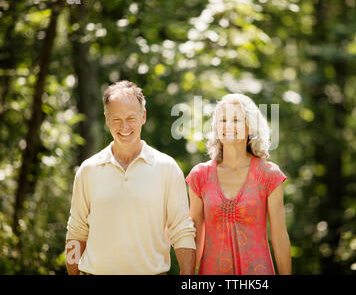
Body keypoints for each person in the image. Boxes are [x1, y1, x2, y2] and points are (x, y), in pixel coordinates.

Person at [65, 81, 196, 275]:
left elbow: (182, 231)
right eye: (116, 119)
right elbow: (76, 233)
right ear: (106, 119)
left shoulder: (167, 168)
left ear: (143, 116)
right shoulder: (88, 170)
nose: (124, 126)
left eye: (131, 118)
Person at [186, 93, 291, 275]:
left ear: (250, 126)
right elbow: (195, 238)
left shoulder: (269, 175)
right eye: (223, 120)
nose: (228, 126)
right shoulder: (200, 175)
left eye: (236, 120)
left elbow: (280, 238)